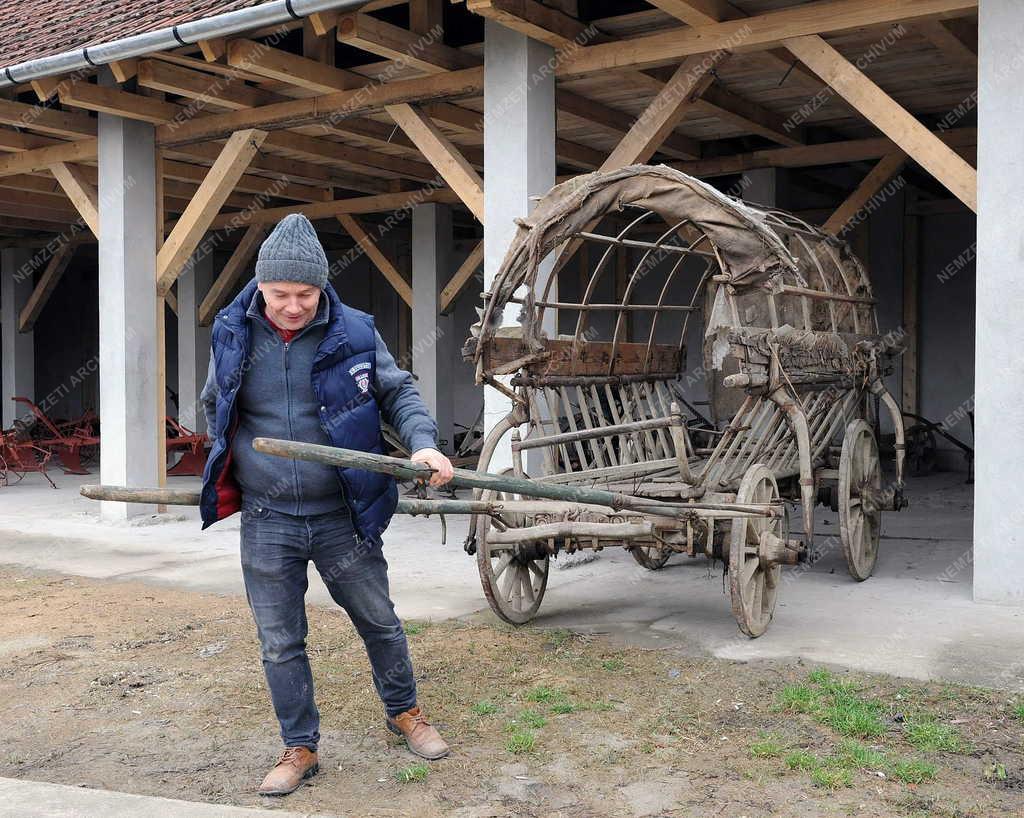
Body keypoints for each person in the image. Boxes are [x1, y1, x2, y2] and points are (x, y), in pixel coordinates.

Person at [199, 213, 455, 796]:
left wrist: (424, 444)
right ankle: (300, 747)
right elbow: (215, 401)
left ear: (322, 287)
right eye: (281, 294)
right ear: (260, 287)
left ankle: (405, 713)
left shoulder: (356, 333)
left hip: (343, 514)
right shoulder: (233, 331)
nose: (293, 306)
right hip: (268, 521)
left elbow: (397, 391)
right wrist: (235, 460)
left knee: (379, 621)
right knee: (280, 640)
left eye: (306, 294)